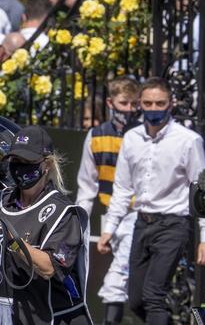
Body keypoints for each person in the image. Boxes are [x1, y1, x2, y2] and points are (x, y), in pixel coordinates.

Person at [98, 77, 205, 325]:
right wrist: (109, 228)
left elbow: (202, 192)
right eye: (148, 103)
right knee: (136, 299)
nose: (154, 109)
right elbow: (122, 188)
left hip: (173, 224)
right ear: (140, 104)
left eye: (159, 103)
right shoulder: (131, 139)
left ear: (170, 104)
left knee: (153, 295)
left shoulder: (188, 140)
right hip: (142, 223)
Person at [0, 126, 92, 325]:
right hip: (10, 315)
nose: (19, 168)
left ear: (46, 164)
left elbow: (48, 267)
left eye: (27, 162)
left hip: (56, 317)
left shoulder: (65, 212)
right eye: (15, 161)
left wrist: (9, 240)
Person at [76, 77, 141, 325]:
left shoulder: (144, 136)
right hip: (110, 214)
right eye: (124, 103)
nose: (129, 109)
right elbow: (86, 185)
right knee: (119, 276)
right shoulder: (96, 136)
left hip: (138, 212)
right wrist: (80, 225)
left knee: (118, 277)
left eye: (134, 104)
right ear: (111, 103)